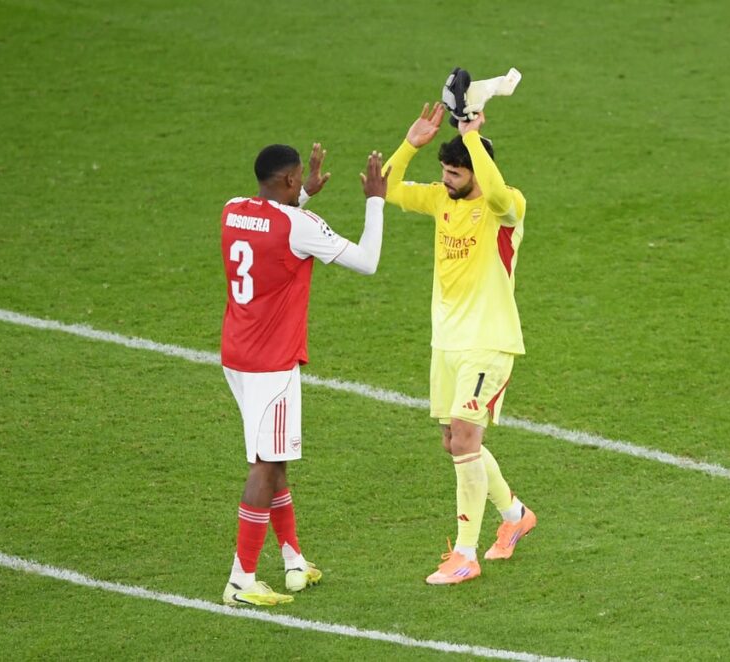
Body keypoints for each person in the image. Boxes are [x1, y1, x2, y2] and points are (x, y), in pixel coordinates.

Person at [220, 143, 389, 605]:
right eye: (299, 180)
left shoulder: (233, 211)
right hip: (272, 364)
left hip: (237, 355)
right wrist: (375, 197)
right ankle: (241, 580)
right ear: (290, 180)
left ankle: (294, 561)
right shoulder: (300, 226)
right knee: (266, 463)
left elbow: (275, 224)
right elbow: (368, 261)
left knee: (274, 456)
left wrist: (305, 195)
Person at [383, 103, 536, 585]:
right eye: (444, 172)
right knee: (454, 442)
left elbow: (495, 190)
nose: (447, 181)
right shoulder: (441, 200)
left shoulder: (505, 207)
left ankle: (466, 554)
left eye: (455, 174)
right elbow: (384, 187)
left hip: (488, 341)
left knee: (467, 438)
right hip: (446, 343)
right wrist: (412, 143)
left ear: (476, 168)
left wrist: (472, 136)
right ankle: (515, 517)